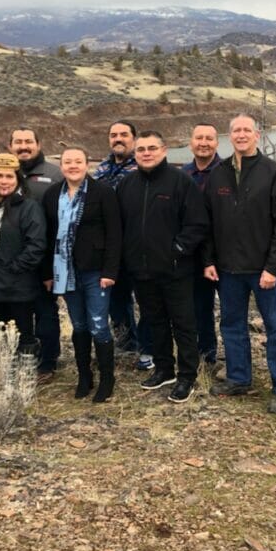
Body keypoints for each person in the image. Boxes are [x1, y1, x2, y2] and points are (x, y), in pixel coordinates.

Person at [203, 114, 276, 414]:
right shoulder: (218, 174)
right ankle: (239, 378)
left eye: (247, 130)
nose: (241, 135)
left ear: (257, 135)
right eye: (236, 130)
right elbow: (206, 222)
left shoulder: (272, 172)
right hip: (228, 269)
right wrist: (208, 261)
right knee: (231, 325)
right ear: (229, 136)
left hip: (264, 270)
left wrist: (272, 267)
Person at [118, 130, 209, 403]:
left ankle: (187, 376)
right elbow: (119, 226)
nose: (146, 153)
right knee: (154, 320)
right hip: (141, 270)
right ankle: (164, 369)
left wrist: (177, 250)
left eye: (152, 148)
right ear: (135, 153)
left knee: (183, 323)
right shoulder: (127, 185)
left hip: (175, 269)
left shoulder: (181, 182)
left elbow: (197, 224)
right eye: (141, 149)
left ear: (164, 150)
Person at [43, 148, 122, 402]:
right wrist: (47, 273)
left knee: (98, 325)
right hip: (65, 271)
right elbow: (47, 236)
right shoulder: (52, 194)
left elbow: (114, 233)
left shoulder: (102, 193)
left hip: (96, 271)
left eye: (78, 161)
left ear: (87, 164)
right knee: (78, 325)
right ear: (61, 166)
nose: (73, 166)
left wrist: (110, 270)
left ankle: (107, 379)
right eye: (68, 162)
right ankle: (84, 376)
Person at [94, 120, 153, 371]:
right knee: (117, 299)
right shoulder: (101, 169)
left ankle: (148, 347)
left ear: (134, 138)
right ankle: (127, 340)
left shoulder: (142, 167)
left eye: (124, 135)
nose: (118, 139)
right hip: (110, 249)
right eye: (113, 135)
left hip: (139, 247)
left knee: (147, 299)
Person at [9, 127, 62, 381]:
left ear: (39, 145)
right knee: (16, 312)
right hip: (10, 261)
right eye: (18, 142)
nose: (23, 146)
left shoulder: (54, 174)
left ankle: (48, 363)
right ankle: (20, 358)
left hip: (45, 259)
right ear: (10, 147)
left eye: (28, 142)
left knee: (45, 311)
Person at [0, 153, 47, 355]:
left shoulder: (28, 206)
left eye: (9, 177)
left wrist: (14, 268)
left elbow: (36, 245)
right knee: (3, 333)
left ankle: (25, 377)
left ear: (18, 179)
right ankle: (7, 373)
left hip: (19, 284)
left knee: (23, 334)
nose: (4, 181)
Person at [181, 123, 222, 366]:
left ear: (217, 143)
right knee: (199, 308)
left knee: (231, 313)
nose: (203, 142)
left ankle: (238, 363)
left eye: (209, 138)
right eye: (199, 138)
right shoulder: (183, 175)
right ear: (191, 143)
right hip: (194, 256)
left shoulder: (227, 171)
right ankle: (207, 356)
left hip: (225, 254)